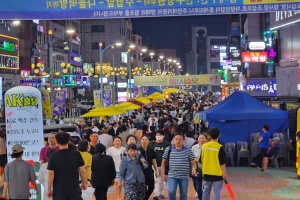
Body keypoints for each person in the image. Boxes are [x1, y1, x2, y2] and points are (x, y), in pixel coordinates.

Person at [47, 132, 87, 200]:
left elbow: (50, 173)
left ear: (57, 141)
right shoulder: (76, 154)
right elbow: (82, 170)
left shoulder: (53, 156)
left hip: (59, 190)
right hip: (74, 188)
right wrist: (84, 182)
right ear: (69, 141)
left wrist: (49, 189)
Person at [161, 133, 197, 200]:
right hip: (172, 176)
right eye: (176, 139)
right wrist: (163, 174)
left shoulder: (188, 151)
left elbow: (193, 162)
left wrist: (194, 169)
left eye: (180, 139)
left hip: (184, 176)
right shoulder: (168, 149)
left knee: (183, 194)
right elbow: (163, 162)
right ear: (173, 140)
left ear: (183, 140)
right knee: (171, 191)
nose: (178, 141)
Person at [201, 128, 227, 200]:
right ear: (219, 135)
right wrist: (224, 173)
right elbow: (222, 162)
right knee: (217, 192)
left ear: (209, 135)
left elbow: (201, 159)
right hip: (217, 174)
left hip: (206, 172)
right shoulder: (220, 147)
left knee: (206, 191)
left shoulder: (204, 146)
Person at [139, 135, 159, 200]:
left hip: (149, 171)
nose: (144, 141)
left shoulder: (151, 150)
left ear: (148, 141)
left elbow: (154, 160)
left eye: (146, 139)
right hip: (140, 172)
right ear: (140, 140)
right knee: (143, 188)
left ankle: (145, 198)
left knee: (151, 187)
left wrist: (156, 170)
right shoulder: (138, 151)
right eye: (143, 139)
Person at [152, 130, 170, 200]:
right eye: (157, 134)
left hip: (163, 165)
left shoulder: (167, 144)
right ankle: (156, 194)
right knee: (156, 180)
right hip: (154, 165)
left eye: (160, 135)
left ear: (163, 136)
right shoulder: (152, 144)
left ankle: (161, 193)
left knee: (162, 180)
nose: (158, 136)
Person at [191, 133, 208, 200]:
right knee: (197, 185)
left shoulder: (208, 147)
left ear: (206, 139)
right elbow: (191, 157)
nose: (201, 140)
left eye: (203, 138)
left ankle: (202, 197)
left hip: (206, 168)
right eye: (200, 138)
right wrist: (196, 159)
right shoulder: (194, 147)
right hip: (196, 167)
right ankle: (199, 192)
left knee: (205, 185)